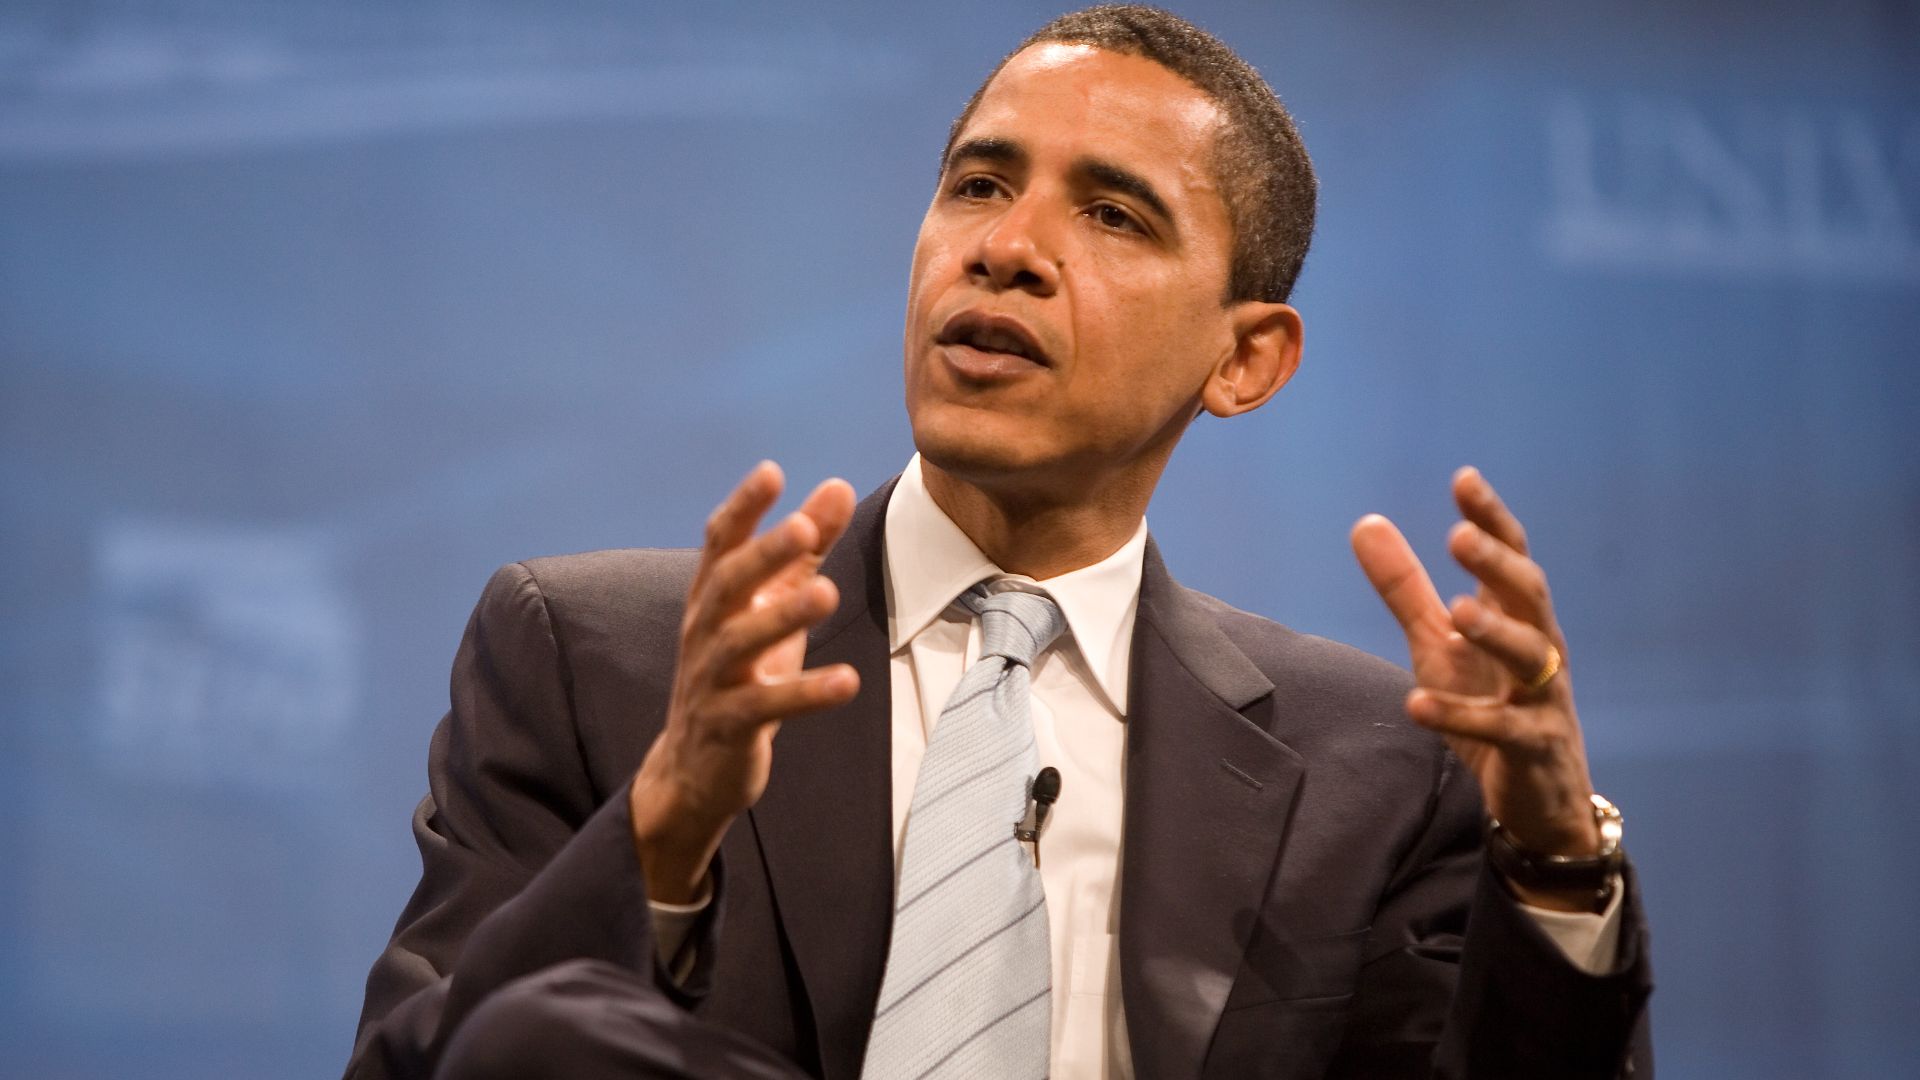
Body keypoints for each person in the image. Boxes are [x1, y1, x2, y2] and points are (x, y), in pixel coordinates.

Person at [347, 7, 1652, 1078]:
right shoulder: (601, 658)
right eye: (978, 185)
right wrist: (663, 833)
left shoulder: (1375, 769)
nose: (1008, 250)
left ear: (1246, 358)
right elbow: (430, 1061)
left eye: (1114, 216)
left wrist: (1553, 863)